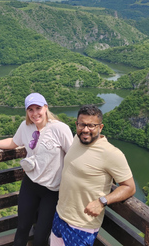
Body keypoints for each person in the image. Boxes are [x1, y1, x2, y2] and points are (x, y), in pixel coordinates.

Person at [0, 93, 73, 246]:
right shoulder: (25, 127)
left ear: (45, 107)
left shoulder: (59, 129)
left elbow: (71, 158)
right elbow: (13, 142)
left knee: (40, 236)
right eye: (30, 110)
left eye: (38, 108)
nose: (34, 113)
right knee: (22, 228)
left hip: (52, 190)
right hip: (30, 184)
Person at [50, 104, 136, 246]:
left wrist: (102, 201)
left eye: (91, 126)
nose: (85, 130)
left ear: (100, 127)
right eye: (82, 124)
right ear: (76, 124)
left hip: (82, 225)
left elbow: (130, 187)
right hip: (60, 215)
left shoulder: (111, 153)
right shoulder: (76, 139)